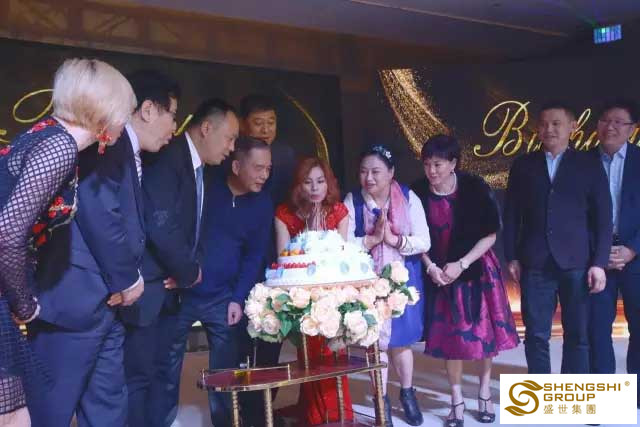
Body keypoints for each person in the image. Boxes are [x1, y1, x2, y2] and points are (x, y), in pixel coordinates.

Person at [28, 68, 178, 427]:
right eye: (174, 115)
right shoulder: (101, 141)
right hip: (73, 299)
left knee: (108, 407)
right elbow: (98, 209)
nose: (175, 127)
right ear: (147, 109)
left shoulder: (123, 147)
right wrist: (127, 279)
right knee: (52, 409)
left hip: (105, 304)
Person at [0, 58, 134, 427]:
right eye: (124, 112)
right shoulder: (60, 147)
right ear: (105, 112)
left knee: (17, 417)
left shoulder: (49, 136)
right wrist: (25, 304)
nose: (125, 122)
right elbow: (7, 233)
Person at [163, 136, 271, 427]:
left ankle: (225, 422)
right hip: (182, 291)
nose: (264, 175)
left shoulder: (262, 203)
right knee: (167, 366)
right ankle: (162, 420)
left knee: (225, 373)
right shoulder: (206, 187)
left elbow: (254, 256)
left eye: (268, 169)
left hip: (223, 296)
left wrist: (237, 298)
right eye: (258, 168)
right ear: (236, 166)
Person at [412, 134, 519, 426]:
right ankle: (456, 400)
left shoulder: (474, 187)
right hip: (440, 274)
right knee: (452, 340)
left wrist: (462, 263)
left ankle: (484, 393)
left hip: (475, 269)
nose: (431, 171)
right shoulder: (417, 193)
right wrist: (432, 268)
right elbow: (414, 239)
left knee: (484, 337)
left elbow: (490, 234)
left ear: (453, 164)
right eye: (426, 164)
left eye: (437, 164)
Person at [503, 102, 612, 375]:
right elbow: (512, 214)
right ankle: (541, 392)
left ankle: (571, 390)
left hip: (577, 262)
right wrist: (511, 256)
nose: (548, 129)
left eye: (556, 124)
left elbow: (603, 218)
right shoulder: (524, 165)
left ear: (573, 127)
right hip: (535, 262)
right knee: (536, 334)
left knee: (578, 334)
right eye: (543, 124)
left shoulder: (589, 164)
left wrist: (599, 263)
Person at [344, 145, 429, 427]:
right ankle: (381, 400)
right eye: (363, 171)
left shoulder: (408, 197)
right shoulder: (353, 200)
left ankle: (407, 392)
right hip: (367, 281)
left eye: (376, 171)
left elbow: (424, 240)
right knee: (374, 341)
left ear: (391, 172)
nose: (369, 178)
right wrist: (370, 240)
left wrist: (395, 241)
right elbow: (343, 244)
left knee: (401, 341)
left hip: (402, 277)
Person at [274, 157, 353, 425]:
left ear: (328, 183)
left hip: (333, 293)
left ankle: (337, 415)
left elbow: (341, 259)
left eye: (320, 181)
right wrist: (308, 233)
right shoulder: (284, 215)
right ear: (298, 185)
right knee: (308, 357)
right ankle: (314, 414)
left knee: (333, 354)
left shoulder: (338, 212)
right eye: (308, 182)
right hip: (301, 294)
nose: (315, 188)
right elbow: (283, 261)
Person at [588, 99, 640, 405]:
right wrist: (599, 251)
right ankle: (605, 397)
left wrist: (633, 249)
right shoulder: (581, 163)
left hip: (637, 256)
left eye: (619, 122)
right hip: (597, 259)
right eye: (605, 120)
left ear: (632, 129)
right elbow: (574, 214)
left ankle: (637, 394)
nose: (611, 127)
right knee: (597, 328)